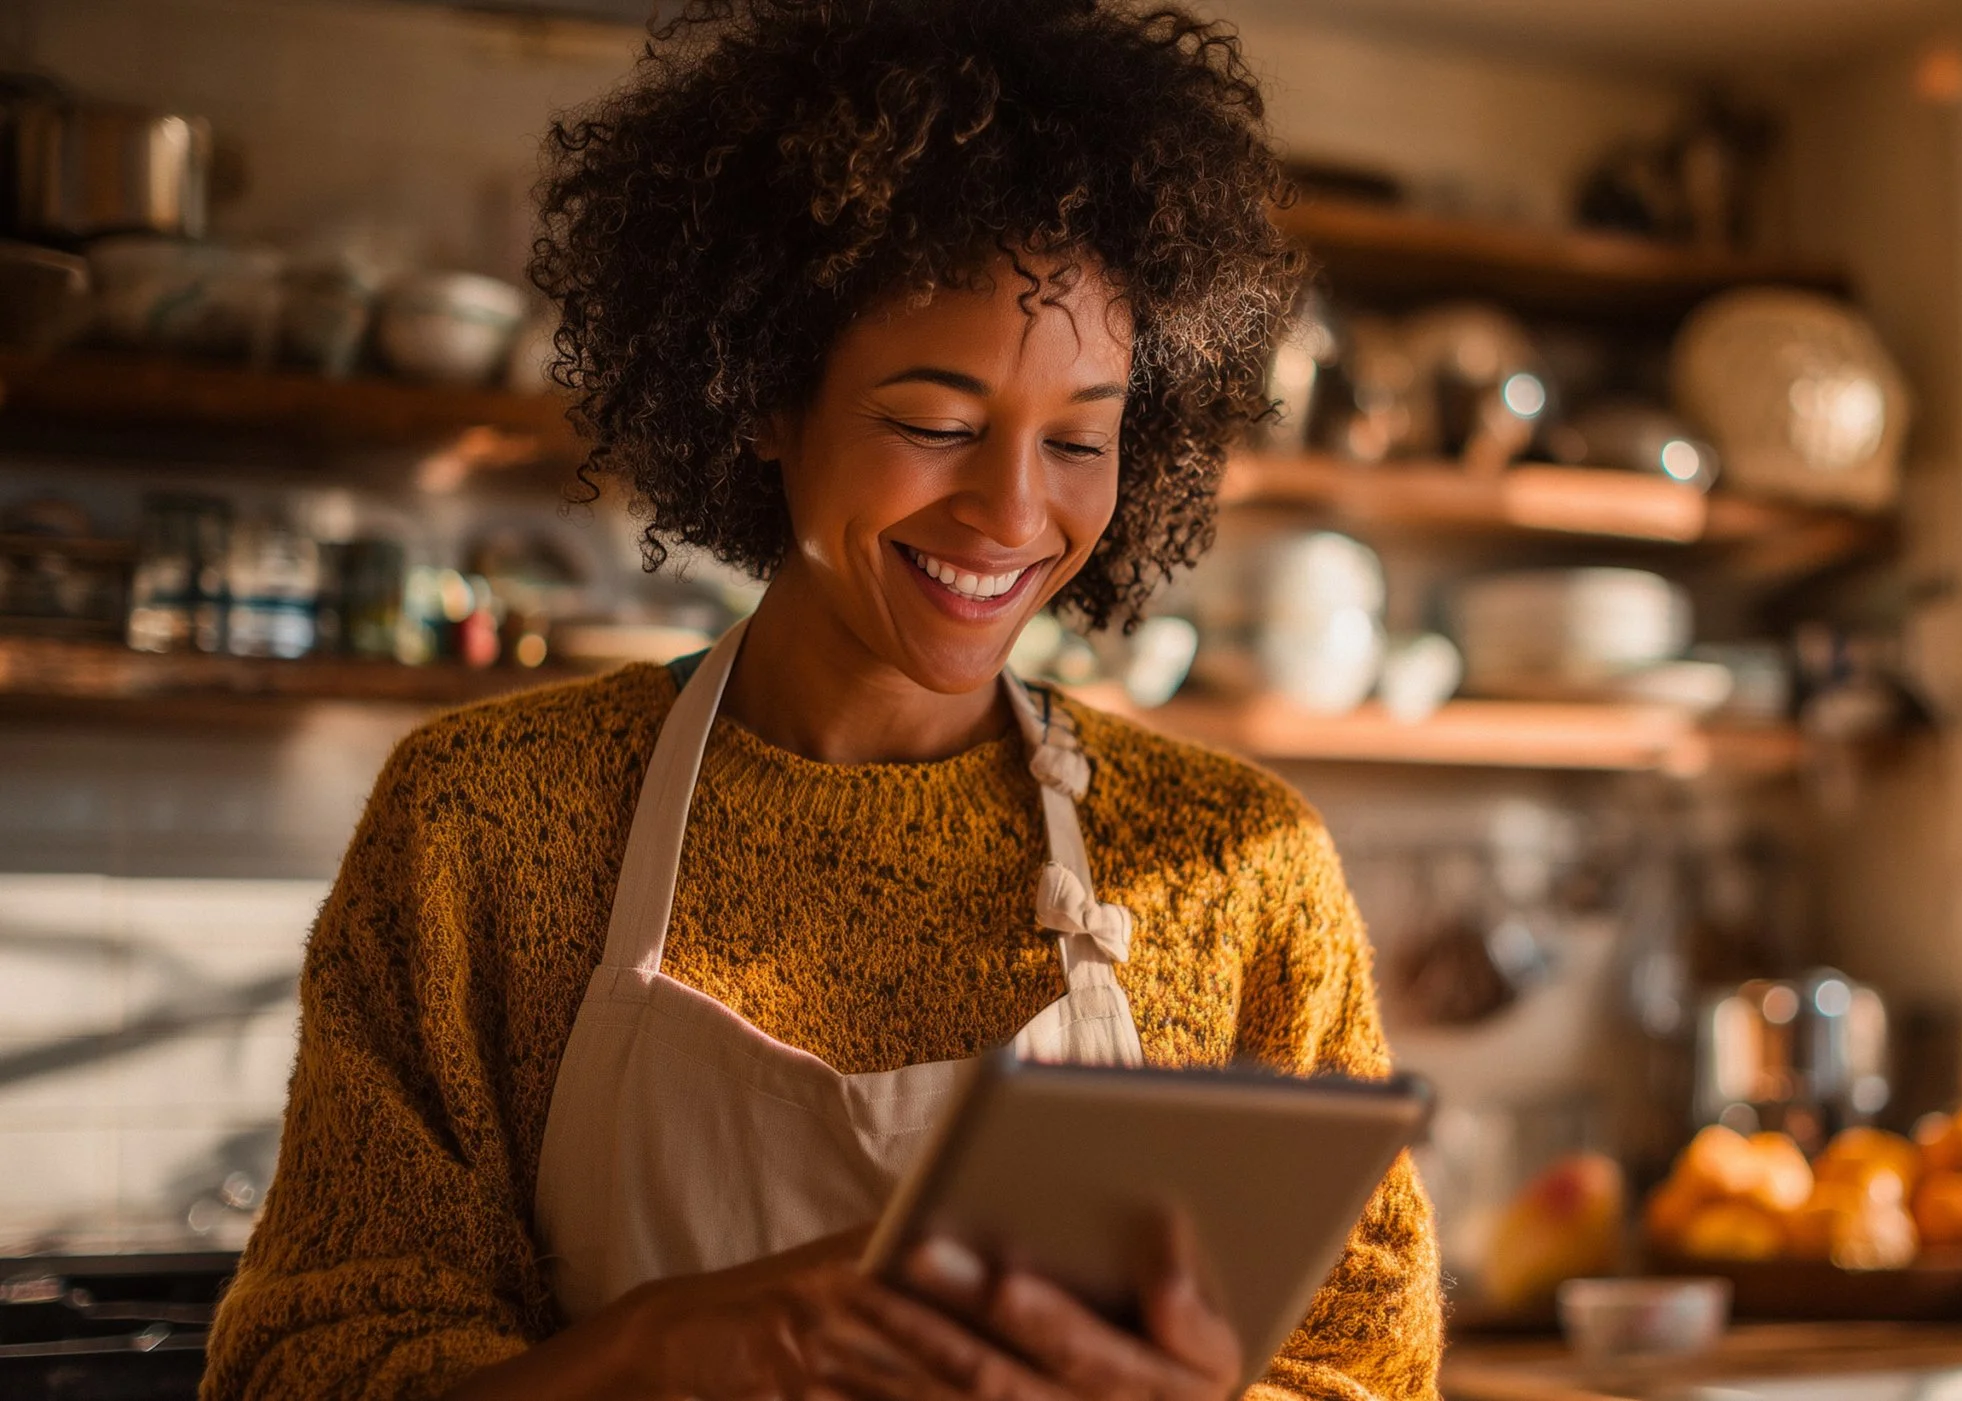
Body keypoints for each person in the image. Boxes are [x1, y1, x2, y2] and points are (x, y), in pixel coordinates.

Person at [198, 2, 1445, 1397]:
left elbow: (1365, 1372)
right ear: (763, 396)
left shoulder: (1238, 868)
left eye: (1082, 438)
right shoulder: (486, 826)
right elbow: (307, 1367)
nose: (1012, 512)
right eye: (935, 424)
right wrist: (671, 1349)